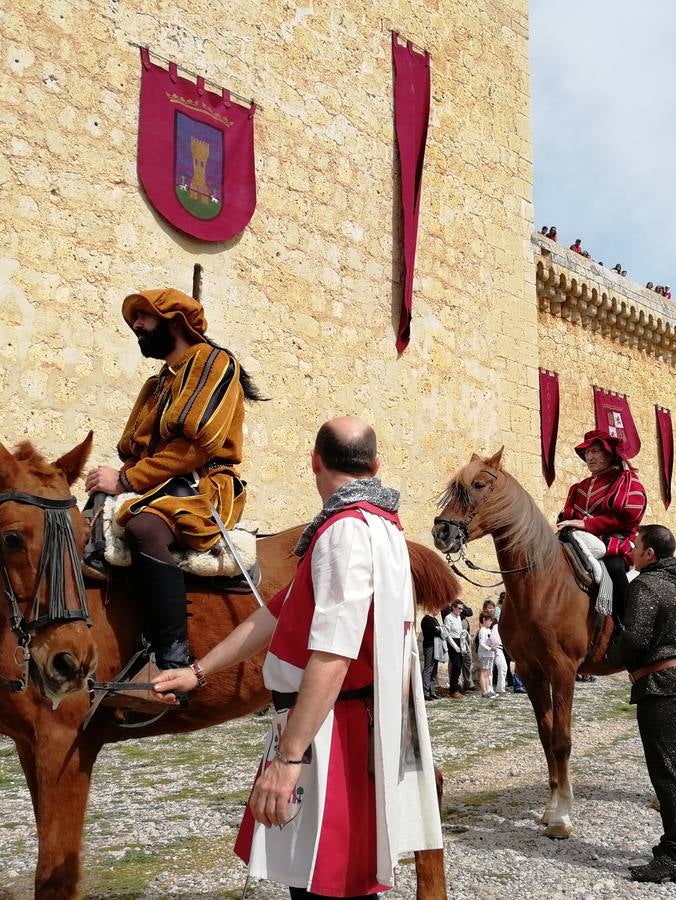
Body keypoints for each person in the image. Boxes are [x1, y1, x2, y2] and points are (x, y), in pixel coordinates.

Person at [152, 416, 443, 898]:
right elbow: (274, 615)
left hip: (330, 733)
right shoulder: (377, 525)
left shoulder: (345, 534)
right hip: (335, 723)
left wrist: (290, 760)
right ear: (375, 465)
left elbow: (334, 655)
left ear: (314, 461)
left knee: (325, 888)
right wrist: (198, 671)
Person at [83, 288, 263, 675]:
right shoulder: (156, 384)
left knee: (145, 527)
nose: (137, 327)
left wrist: (127, 479)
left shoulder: (213, 363)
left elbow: (196, 447)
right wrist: (109, 483)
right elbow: (134, 449)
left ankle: (171, 659)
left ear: (175, 321)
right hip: (149, 484)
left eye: (144, 319)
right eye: (135, 321)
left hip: (204, 487)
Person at [612, 524, 676, 882]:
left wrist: (613, 653)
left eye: (637, 546)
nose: (633, 551)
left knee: (668, 773)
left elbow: (635, 638)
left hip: (662, 686)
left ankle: (674, 853)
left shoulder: (645, 585)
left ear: (650, 554)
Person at [557, 429, 647, 619]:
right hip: (580, 540)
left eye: (595, 451)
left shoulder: (624, 480)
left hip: (615, 542)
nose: (590, 457)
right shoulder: (579, 487)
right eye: (587, 452)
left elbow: (626, 518)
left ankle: (626, 621)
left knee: (614, 567)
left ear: (609, 453)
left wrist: (586, 525)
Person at [442, 601, 467, 699]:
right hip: (453, 643)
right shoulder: (448, 618)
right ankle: (453, 690)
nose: (461, 611)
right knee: (455, 666)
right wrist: (454, 646)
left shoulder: (459, 617)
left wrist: (463, 643)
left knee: (459, 666)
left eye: (461, 609)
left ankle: (456, 688)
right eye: (459, 608)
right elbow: (447, 634)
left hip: (460, 641)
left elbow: (459, 631)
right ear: (453, 607)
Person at [419, 611, 442, 701]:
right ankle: (426, 692)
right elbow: (435, 632)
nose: (439, 611)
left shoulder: (434, 619)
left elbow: (439, 631)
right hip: (429, 646)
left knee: (434, 669)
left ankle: (432, 691)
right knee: (428, 668)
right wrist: (440, 630)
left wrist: (440, 630)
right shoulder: (426, 619)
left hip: (435, 646)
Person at [476, 613, 499, 699]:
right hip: (484, 654)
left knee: (487, 673)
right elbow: (482, 643)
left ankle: (488, 690)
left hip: (490, 654)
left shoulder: (489, 630)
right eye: (489, 620)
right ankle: (484, 691)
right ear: (484, 619)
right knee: (483, 672)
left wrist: (494, 646)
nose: (491, 622)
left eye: (491, 620)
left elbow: (490, 641)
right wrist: (490, 649)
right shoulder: (482, 630)